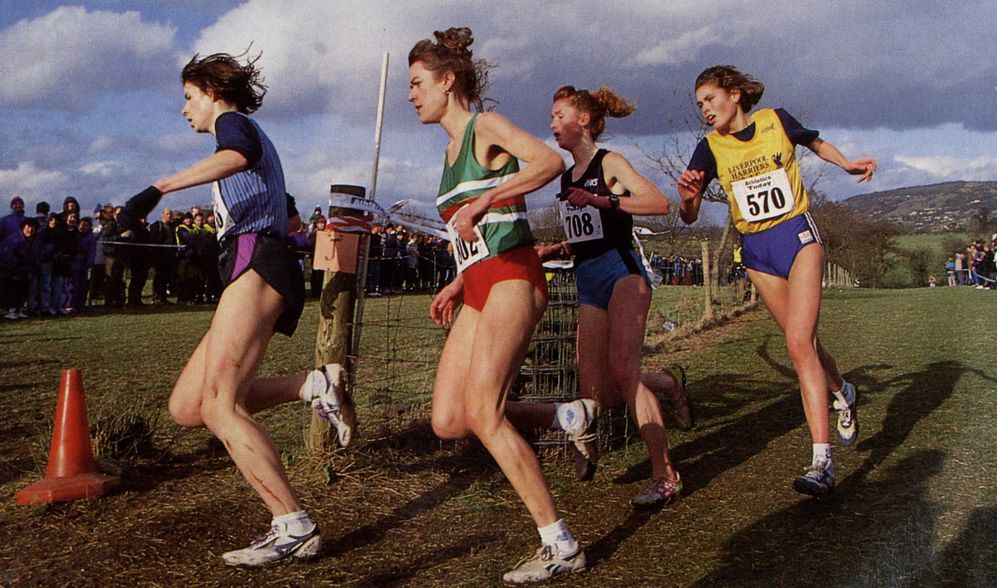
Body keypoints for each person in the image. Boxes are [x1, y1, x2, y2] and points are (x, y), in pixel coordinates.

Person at [116, 50, 355, 567]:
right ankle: (312, 385)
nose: (184, 111)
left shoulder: (234, 125)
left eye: (187, 98)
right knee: (188, 407)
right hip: (254, 259)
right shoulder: (244, 135)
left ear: (211, 92)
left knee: (222, 405)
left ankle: (293, 523)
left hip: (257, 261)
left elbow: (240, 155)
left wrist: (156, 190)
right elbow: (288, 214)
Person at [408, 27, 586, 583]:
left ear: (447, 79)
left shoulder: (485, 126)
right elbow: (478, 236)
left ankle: (560, 544)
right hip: (480, 285)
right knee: (449, 420)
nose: (411, 95)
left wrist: (486, 196)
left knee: (483, 412)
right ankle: (563, 414)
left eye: (416, 84)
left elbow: (548, 162)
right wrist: (458, 282)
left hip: (514, 279)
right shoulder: (446, 150)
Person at [677, 65, 875, 497]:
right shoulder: (707, 148)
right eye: (700, 106)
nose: (705, 111)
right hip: (757, 252)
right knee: (804, 343)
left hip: (797, 236)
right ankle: (843, 391)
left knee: (798, 344)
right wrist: (687, 196)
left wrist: (846, 163)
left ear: (734, 94)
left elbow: (814, 141)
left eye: (710, 100)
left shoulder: (775, 120)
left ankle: (822, 461)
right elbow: (688, 216)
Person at [533, 85, 688, 507]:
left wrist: (603, 199)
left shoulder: (610, 162)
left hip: (623, 275)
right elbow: (585, 237)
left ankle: (665, 474)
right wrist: (555, 249)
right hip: (588, 278)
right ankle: (668, 384)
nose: (551, 125)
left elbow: (658, 204)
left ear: (582, 120)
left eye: (558, 114)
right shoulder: (566, 178)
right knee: (597, 392)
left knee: (623, 371)